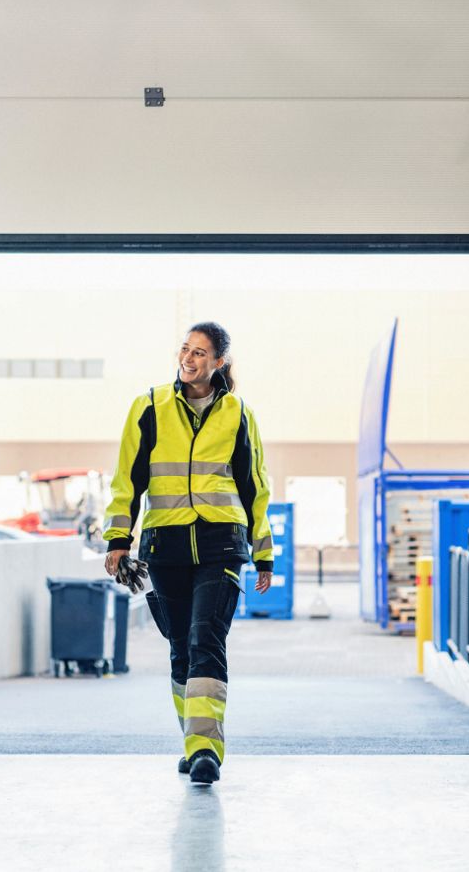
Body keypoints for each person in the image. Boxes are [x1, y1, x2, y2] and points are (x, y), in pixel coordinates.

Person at [102, 321, 273, 786]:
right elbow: (127, 478)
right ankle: (192, 739)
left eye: (200, 353)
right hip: (166, 545)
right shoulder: (150, 407)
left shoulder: (238, 413)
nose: (189, 359)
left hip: (221, 544)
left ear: (219, 362)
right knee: (180, 647)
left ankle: (205, 748)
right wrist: (119, 539)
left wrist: (263, 552)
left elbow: (255, 485)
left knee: (205, 640)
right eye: (185, 350)